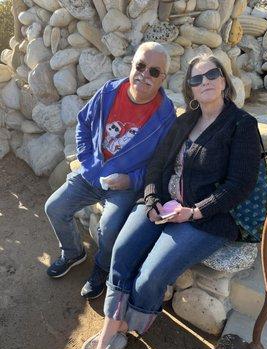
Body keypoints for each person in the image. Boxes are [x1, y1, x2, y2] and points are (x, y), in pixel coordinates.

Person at [78, 54, 262, 349]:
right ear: (189, 87)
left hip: (205, 217)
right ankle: (112, 326)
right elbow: (157, 166)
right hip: (161, 205)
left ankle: (128, 327)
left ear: (224, 80)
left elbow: (239, 185)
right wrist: (149, 199)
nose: (204, 82)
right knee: (122, 250)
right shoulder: (184, 120)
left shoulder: (241, 125)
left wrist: (195, 211)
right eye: (196, 78)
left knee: (150, 276)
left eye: (211, 75)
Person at [44, 42, 176, 300]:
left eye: (154, 72)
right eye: (140, 66)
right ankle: (73, 253)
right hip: (92, 172)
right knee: (54, 208)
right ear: (132, 65)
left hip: (125, 185)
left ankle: (101, 269)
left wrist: (130, 180)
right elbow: (83, 123)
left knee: (109, 225)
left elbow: (162, 163)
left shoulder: (165, 115)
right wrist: (87, 160)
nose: (144, 75)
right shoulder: (109, 92)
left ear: (163, 78)